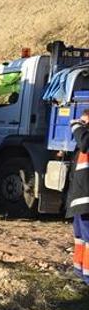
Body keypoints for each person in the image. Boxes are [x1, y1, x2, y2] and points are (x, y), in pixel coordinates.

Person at [67, 110, 89, 285]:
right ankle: (80, 274)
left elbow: (84, 142)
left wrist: (77, 126)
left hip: (86, 201)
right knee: (80, 238)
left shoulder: (84, 138)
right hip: (80, 201)